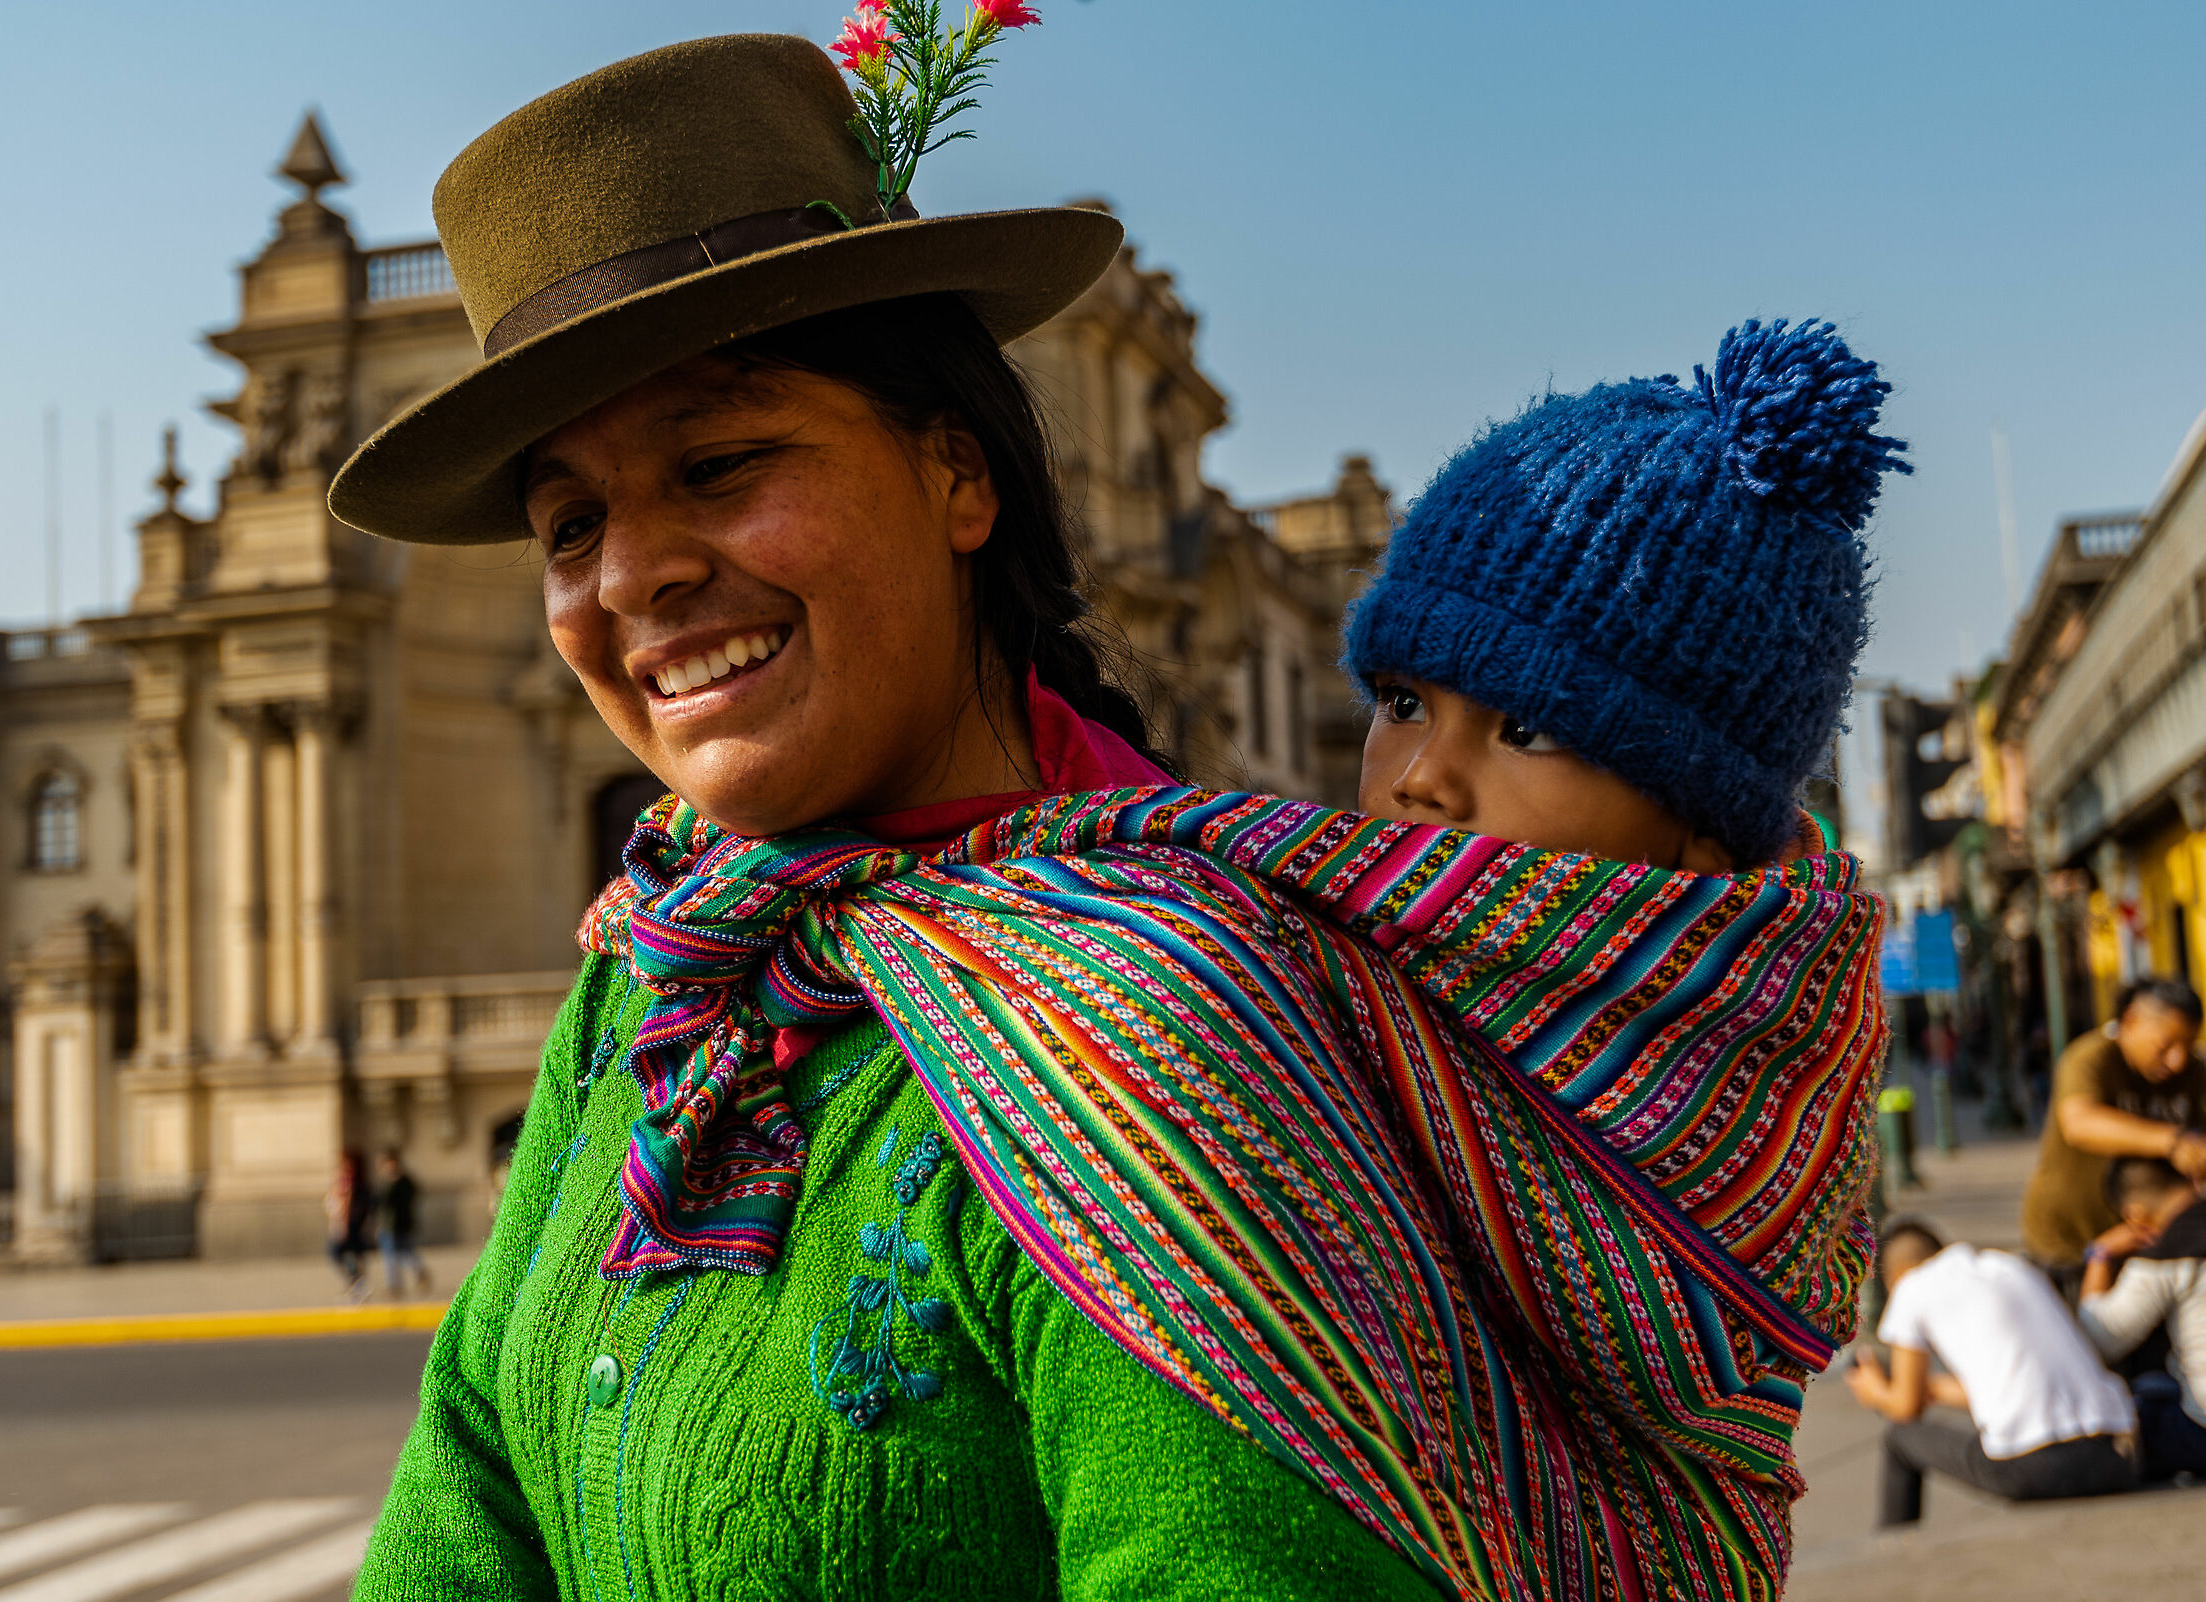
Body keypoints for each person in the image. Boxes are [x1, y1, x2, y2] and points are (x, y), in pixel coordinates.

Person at [328, 33, 1894, 1602]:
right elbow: (462, 1496)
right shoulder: (651, 976)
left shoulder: (1154, 1026)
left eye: (722, 463)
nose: (629, 577)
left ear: (960, 475)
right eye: (570, 522)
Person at [1848, 1221, 2138, 1526]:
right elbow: (2006, 1383)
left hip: (2035, 1469)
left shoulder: (1911, 1285)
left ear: (1897, 1275)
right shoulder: (2011, 1266)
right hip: (2114, 1459)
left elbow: (1906, 1408)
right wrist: (1928, 1387)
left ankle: (1893, 1556)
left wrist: (1876, 1391)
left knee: (1900, 1440)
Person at [2021, 977, 2206, 1282]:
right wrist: (2174, 1142)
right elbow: (2079, 1123)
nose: (2177, 1059)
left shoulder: (2192, 1072)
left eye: (2187, 1046)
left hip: (2147, 1248)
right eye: (2165, 1045)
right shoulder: (2091, 1057)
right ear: (2131, 1021)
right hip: (2071, 1242)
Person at [2079, 1157, 2206, 1479]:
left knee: (2131, 1401)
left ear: (2135, 1215)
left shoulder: (2170, 1253)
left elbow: (2097, 1342)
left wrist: (2099, 1255)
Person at [371, 1149, 434, 1299]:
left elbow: (387, 1202)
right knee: (403, 1252)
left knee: (391, 1255)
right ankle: (417, 1271)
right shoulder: (391, 1181)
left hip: (394, 1225)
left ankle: (394, 1286)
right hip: (391, 1224)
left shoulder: (399, 1182)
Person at [323, 1150, 371, 1302]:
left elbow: (345, 1205)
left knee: (336, 1252)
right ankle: (356, 1283)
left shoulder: (346, 1182)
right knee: (343, 1253)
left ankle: (357, 1281)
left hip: (345, 1225)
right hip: (340, 1224)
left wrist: (342, 1226)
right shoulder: (340, 1180)